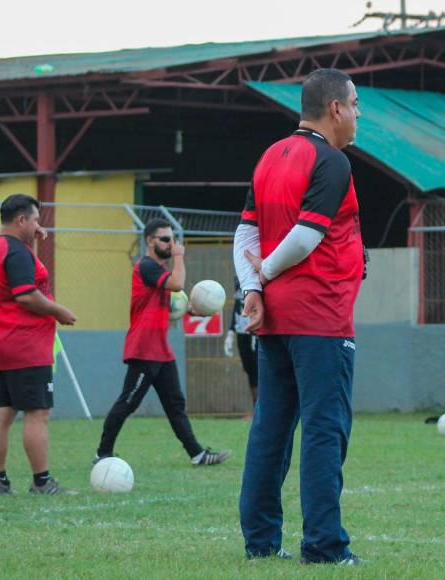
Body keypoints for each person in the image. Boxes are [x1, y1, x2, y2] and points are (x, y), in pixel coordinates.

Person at [234, 68, 365, 565]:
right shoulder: (331, 160)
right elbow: (307, 237)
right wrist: (262, 275)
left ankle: (261, 544)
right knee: (324, 430)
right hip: (319, 317)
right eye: (354, 105)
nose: (357, 116)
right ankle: (325, 548)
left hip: (276, 319)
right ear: (335, 109)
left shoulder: (270, 155)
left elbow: (243, 233)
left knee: (270, 428)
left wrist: (252, 289)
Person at [94, 218, 230, 467]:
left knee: (175, 404)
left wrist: (193, 310)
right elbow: (177, 284)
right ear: (149, 241)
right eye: (165, 239)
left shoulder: (157, 271)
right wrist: (179, 256)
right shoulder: (146, 266)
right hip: (144, 348)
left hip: (160, 350)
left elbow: (168, 305)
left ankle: (197, 454)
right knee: (128, 402)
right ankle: (102, 453)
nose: (170, 244)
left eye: (172, 240)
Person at [0, 193, 77, 495]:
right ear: (21, 219)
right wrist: (58, 310)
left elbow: (14, 282)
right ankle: (42, 481)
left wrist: (32, 242)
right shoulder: (17, 252)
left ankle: (0, 481)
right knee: (37, 413)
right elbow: (25, 293)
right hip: (26, 343)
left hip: (0, 341)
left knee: (2, 412)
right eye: (35, 219)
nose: (38, 225)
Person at [224, 277, 258, 415]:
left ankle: (263, 410)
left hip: (256, 329)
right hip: (241, 330)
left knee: (260, 369)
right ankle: (257, 408)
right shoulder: (238, 276)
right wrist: (231, 331)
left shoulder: (257, 272)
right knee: (249, 369)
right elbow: (238, 304)